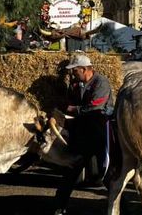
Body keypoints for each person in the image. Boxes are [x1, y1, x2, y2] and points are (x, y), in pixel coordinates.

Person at [53, 54, 113, 215]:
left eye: (75, 70)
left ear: (85, 69)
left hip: (98, 129)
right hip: (81, 130)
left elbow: (96, 105)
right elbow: (70, 102)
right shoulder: (76, 84)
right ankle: (60, 206)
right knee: (71, 169)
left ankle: (120, 205)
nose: (73, 74)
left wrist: (74, 109)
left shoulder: (101, 83)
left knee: (104, 172)